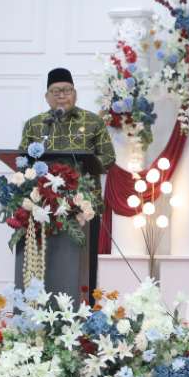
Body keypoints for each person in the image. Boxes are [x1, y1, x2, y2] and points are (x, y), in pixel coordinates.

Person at [16, 67, 117, 287]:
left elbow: (108, 157)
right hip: (42, 204)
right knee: (46, 265)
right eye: (56, 91)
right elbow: (22, 161)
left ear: (75, 94)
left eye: (67, 90)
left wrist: (84, 166)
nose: (61, 95)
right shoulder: (35, 124)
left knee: (83, 269)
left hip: (84, 205)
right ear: (47, 97)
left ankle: (86, 303)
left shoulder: (93, 122)